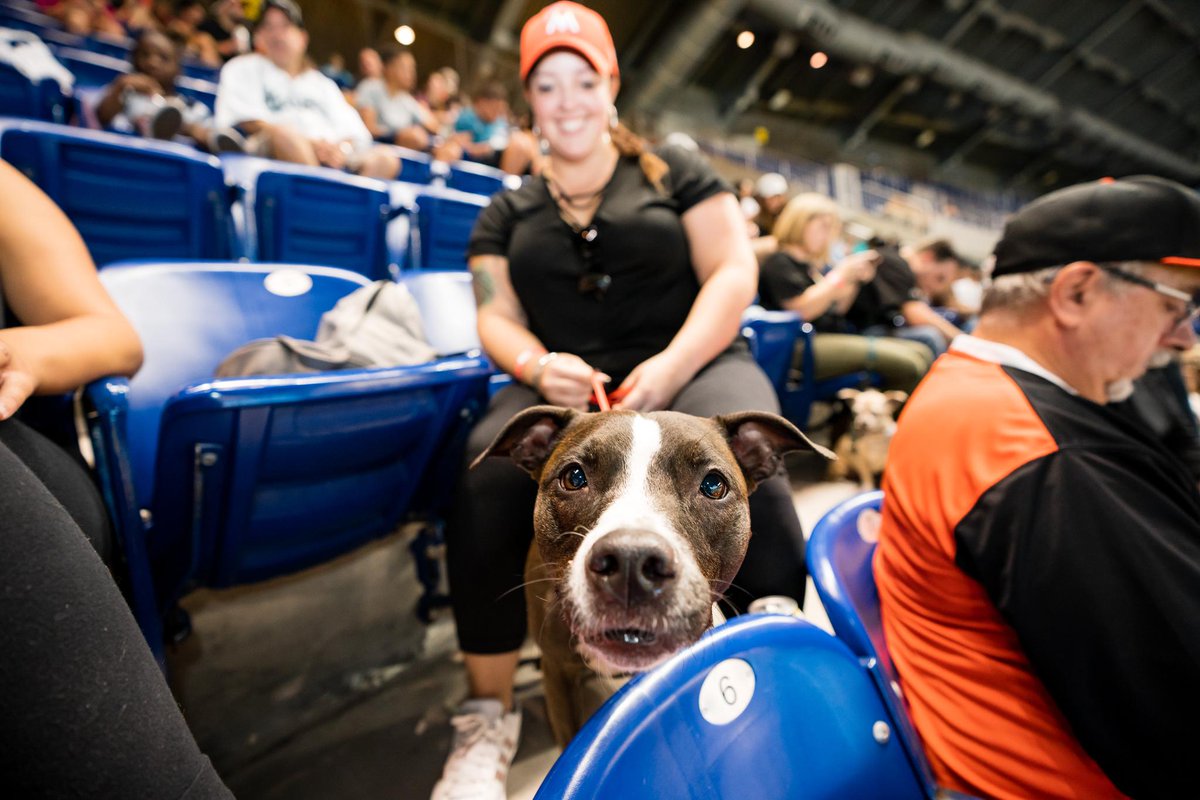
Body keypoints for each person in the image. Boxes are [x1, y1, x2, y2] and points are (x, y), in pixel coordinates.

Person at [431, 4, 809, 798]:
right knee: (483, 486)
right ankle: (488, 717)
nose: (566, 99)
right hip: (569, 384)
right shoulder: (508, 209)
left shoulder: (674, 169)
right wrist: (536, 364)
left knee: (762, 486)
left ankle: (776, 686)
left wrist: (674, 364)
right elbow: (493, 313)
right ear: (531, 98)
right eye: (547, 85)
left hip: (689, 362)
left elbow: (733, 274)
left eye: (583, 79)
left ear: (611, 86)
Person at [876, 175, 1200, 799]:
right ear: (1076, 292)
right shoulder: (1042, 457)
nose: (1185, 338)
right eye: (1176, 305)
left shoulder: (973, 390)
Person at [757, 192, 934, 394]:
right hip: (797, 344)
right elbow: (801, 310)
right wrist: (841, 274)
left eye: (830, 228)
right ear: (799, 223)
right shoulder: (780, 261)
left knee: (922, 353)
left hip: (825, 336)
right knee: (910, 364)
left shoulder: (811, 266)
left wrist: (854, 280)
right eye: (822, 226)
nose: (827, 235)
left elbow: (837, 309)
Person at [214, 0, 399, 180]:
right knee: (286, 136)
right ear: (258, 37)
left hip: (334, 157)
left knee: (386, 158)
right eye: (268, 27)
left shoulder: (323, 84)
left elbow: (355, 134)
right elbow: (245, 121)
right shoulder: (242, 67)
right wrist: (309, 144)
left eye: (285, 26)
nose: (277, 35)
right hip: (270, 154)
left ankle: (332, 205)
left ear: (303, 38)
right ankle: (319, 202)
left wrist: (340, 150)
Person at [96, 28, 244, 152]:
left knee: (202, 131)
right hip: (126, 158)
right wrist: (121, 85)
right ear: (134, 59)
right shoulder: (122, 95)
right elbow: (99, 119)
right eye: (145, 55)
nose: (152, 62)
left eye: (163, 58)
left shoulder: (193, 108)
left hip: (175, 174)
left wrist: (190, 130)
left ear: (178, 68)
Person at [844, 236, 965, 356]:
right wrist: (963, 340)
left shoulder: (896, 262)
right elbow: (913, 312)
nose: (937, 288)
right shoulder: (895, 263)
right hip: (858, 331)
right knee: (929, 337)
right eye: (939, 278)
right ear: (928, 257)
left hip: (868, 329)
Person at [355, 46, 438, 150]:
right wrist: (399, 135)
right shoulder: (370, 88)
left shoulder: (407, 99)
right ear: (389, 68)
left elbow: (434, 126)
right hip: (378, 149)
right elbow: (369, 129)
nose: (411, 74)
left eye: (413, 68)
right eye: (406, 68)